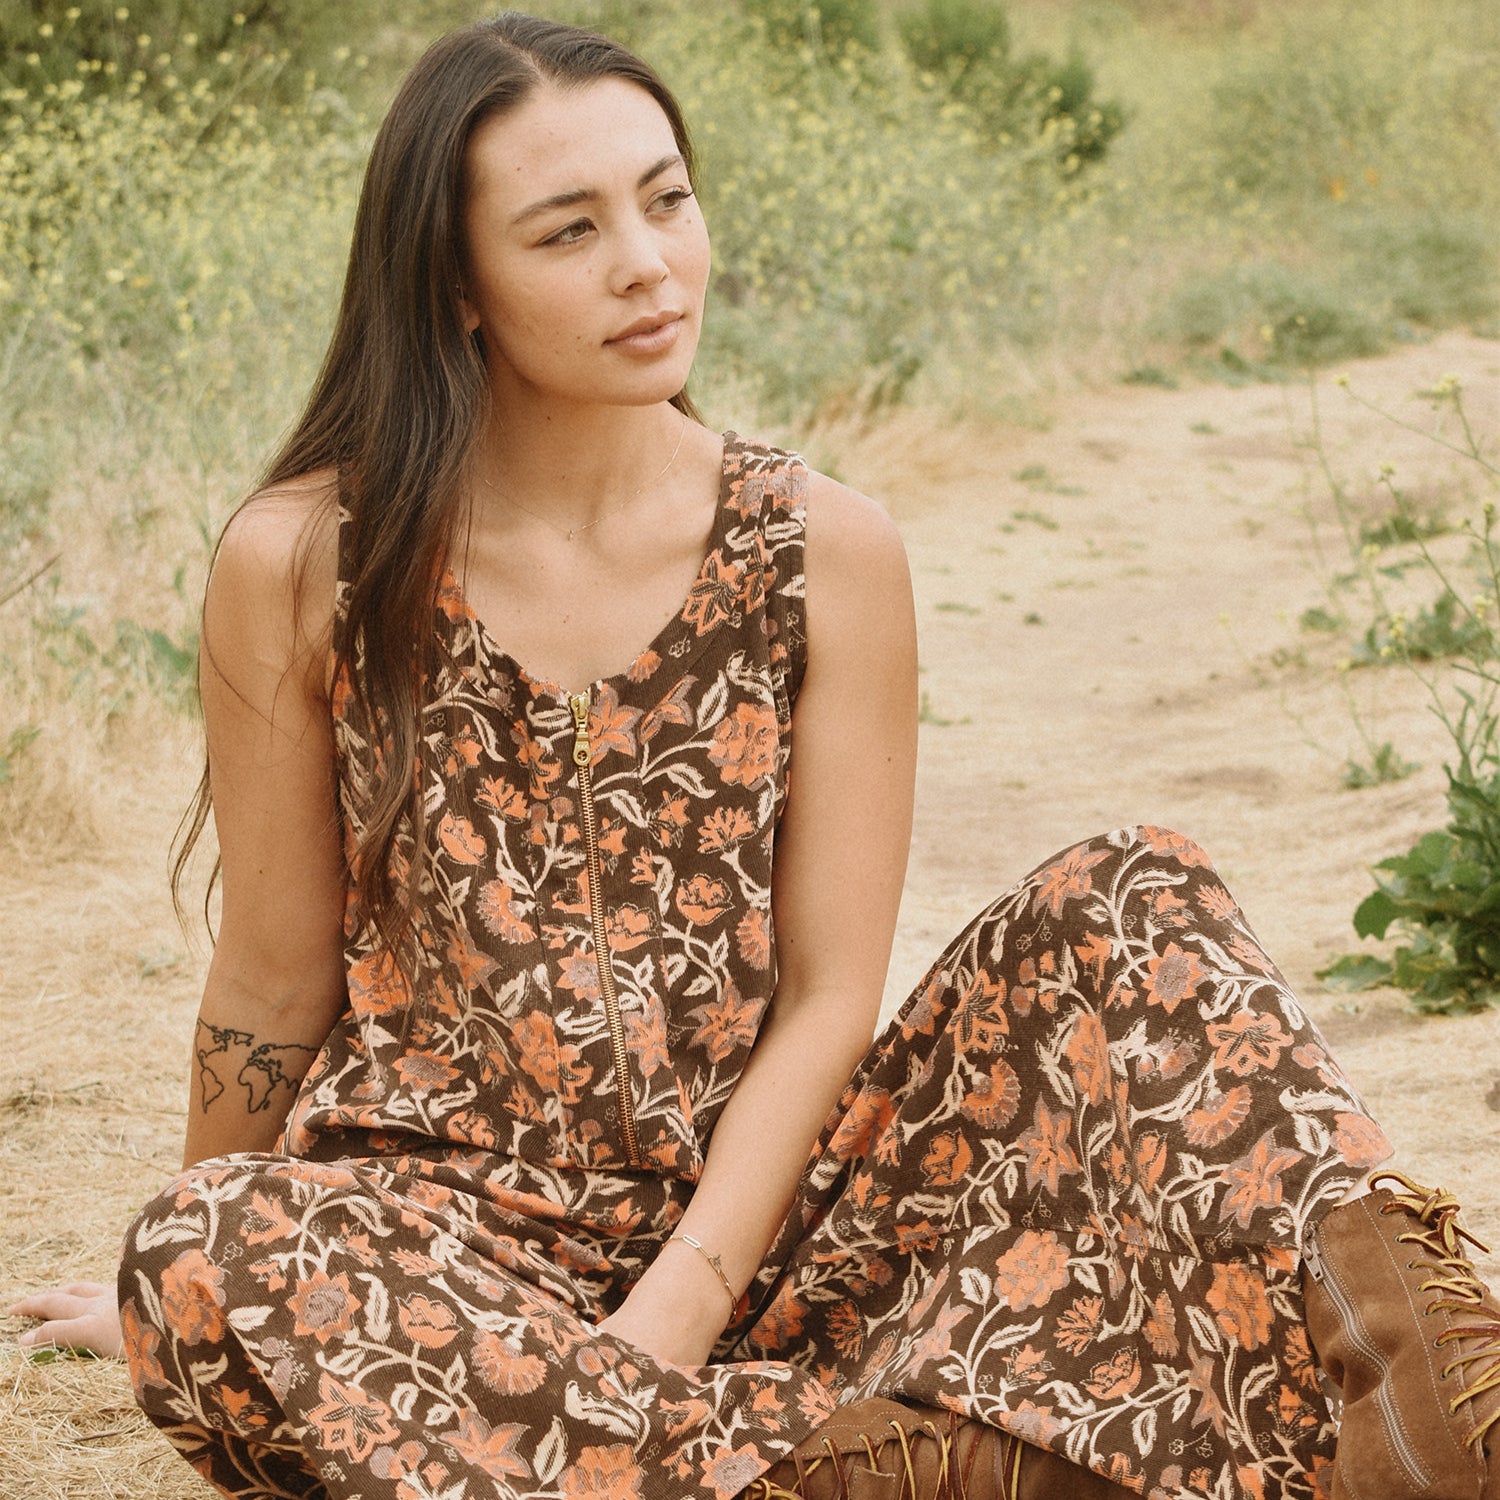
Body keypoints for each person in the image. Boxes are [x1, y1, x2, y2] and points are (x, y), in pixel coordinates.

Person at [11, 13, 1500, 1500]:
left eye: (667, 199)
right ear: (458, 288)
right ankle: (919, 1464)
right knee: (207, 1254)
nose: (648, 264)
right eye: (568, 232)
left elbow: (828, 996)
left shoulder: (822, 548)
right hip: (446, 1248)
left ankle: (1448, 1414)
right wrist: (182, 1255)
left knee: (1137, 895)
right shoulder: (305, 561)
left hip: (800, 1229)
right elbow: (274, 981)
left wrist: (682, 1300)